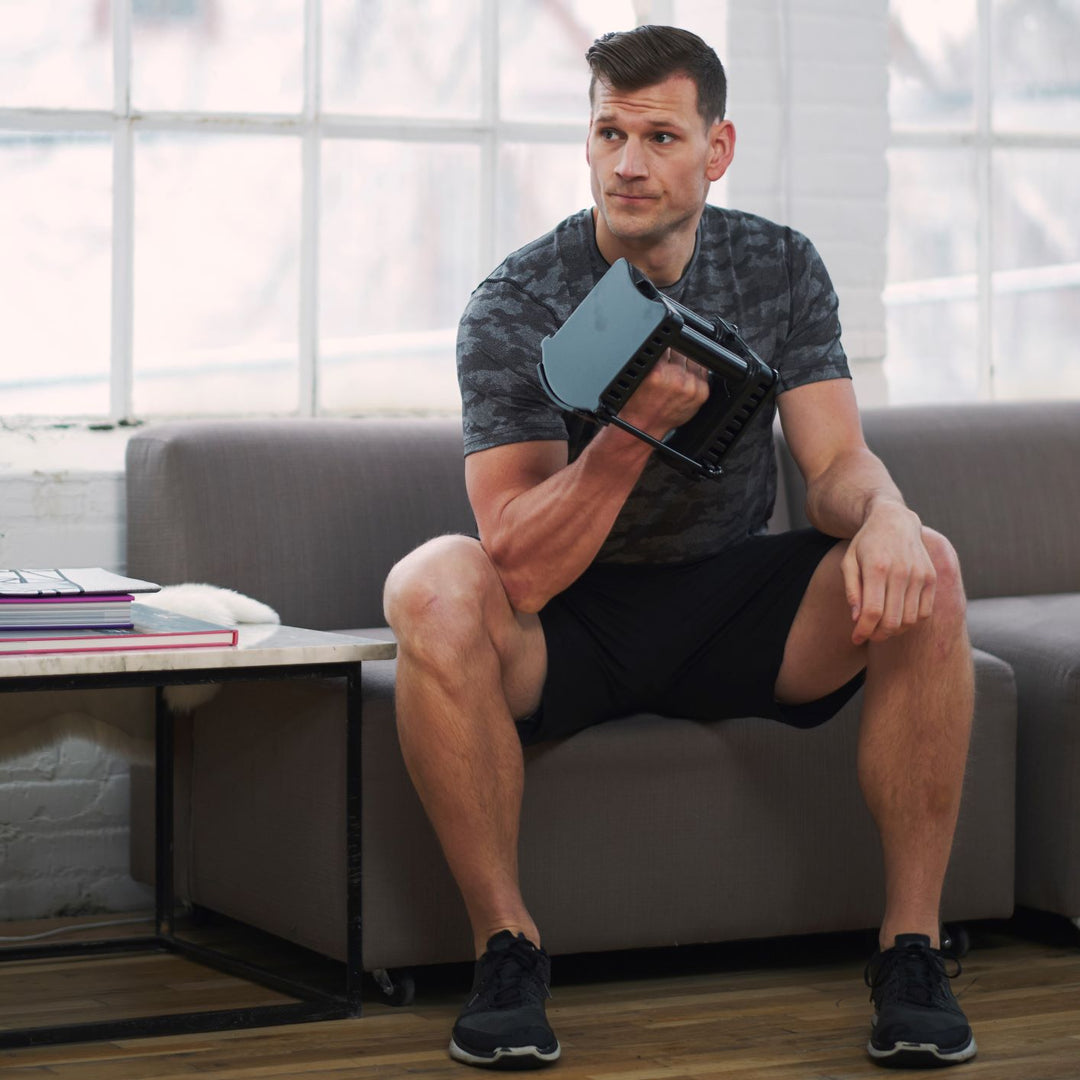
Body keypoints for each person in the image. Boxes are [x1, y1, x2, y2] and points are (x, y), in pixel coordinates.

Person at [383, 24, 976, 1071]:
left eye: (660, 134)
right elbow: (515, 562)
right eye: (609, 132)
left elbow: (834, 464)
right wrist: (628, 435)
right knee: (429, 587)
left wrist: (885, 511)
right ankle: (506, 953)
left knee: (925, 560)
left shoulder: (779, 266)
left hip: (733, 603)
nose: (627, 162)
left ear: (718, 146)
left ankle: (912, 953)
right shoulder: (516, 302)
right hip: (568, 618)